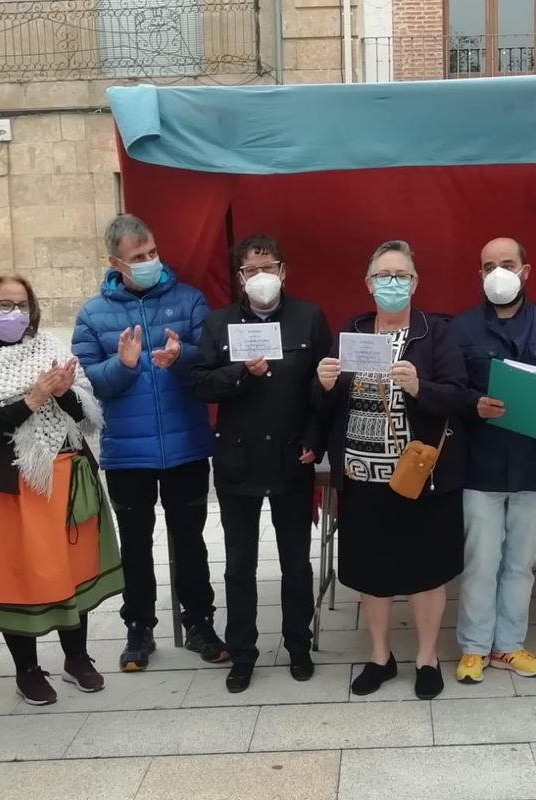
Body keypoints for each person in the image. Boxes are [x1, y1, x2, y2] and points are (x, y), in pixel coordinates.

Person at [0, 270, 123, 705]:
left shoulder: (49, 348)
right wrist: (30, 400)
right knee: (18, 577)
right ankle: (26, 668)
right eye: (4, 305)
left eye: (21, 305)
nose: (14, 313)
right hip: (9, 486)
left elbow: (84, 413)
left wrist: (62, 393)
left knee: (72, 569)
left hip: (64, 475)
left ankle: (77, 658)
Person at [315, 240, 469, 700]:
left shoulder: (436, 333)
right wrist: (322, 385)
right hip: (362, 478)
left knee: (426, 571)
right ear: (368, 283)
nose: (392, 283)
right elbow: (327, 403)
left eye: (401, 275)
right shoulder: (353, 330)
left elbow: (460, 396)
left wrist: (422, 387)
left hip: (420, 476)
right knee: (371, 572)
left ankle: (426, 657)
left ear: (416, 282)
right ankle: (380, 657)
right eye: (384, 276)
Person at [73, 214, 225, 671]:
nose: (149, 262)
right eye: (138, 258)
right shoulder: (93, 314)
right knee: (136, 545)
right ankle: (138, 630)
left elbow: (212, 363)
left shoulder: (188, 299)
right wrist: (122, 365)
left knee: (191, 541)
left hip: (187, 448)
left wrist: (183, 357)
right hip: (127, 453)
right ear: (115, 262)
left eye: (152, 253)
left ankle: (200, 622)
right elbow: (85, 383)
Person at [191, 235, 330, 693]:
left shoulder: (309, 318)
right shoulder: (219, 323)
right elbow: (201, 383)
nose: (261, 277)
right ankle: (243, 653)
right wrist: (238, 373)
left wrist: (315, 438)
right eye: (252, 270)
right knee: (239, 565)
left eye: (269, 267)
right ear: (240, 277)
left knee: (295, 561)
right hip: (239, 459)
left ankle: (298, 645)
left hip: (292, 455)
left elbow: (322, 388)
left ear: (283, 270)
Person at [452, 237, 536, 685]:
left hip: (534, 461)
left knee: (520, 564)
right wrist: (474, 403)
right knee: (480, 562)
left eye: (507, 264)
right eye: (489, 265)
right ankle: (473, 648)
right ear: (480, 273)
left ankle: (509, 645)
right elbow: (449, 388)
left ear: (526, 270)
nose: (498, 273)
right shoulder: (462, 328)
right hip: (480, 465)